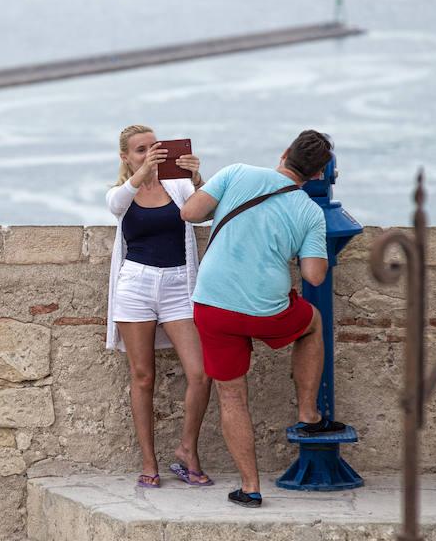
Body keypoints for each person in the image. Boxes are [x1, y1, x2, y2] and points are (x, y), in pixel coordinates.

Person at [179, 129, 347, 508]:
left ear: (285, 152)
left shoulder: (237, 172)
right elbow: (313, 276)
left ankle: (250, 487)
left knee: (232, 396)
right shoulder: (309, 211)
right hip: (266, 311)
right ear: (319, 174)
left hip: (214, 304)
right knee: (313, 322)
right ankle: (307, 412)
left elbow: (189, 213)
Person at [106, 124, 214, 488]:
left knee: (200, 373)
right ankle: (148, 461)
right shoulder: (122, 191)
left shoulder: (179, 185)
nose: (150, 153)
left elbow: (207, 213)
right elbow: (115, 205)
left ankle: (186, 451)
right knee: (143, 377)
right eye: (141, 150)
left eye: (155, 147)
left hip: (179, 283)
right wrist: (141, 173)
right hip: (135, 284)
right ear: (126, 157)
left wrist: (198, 178)